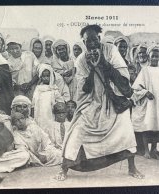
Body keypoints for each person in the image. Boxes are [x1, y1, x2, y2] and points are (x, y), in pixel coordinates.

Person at [55, 25, 143, 181]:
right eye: (88, 42)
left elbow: (123, 81)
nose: (92, 44)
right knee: (77, 130)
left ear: (99, 39)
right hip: (92, 102)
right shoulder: (81, 59)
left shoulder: (110, 50)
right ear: (84, 42)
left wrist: (103, 63)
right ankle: (64, 167)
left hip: (113, 100)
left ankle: (132, 167)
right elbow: (84, 89)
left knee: (125, 126)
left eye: (95, 40)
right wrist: (91, 68)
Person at [131, 45, 159, 159]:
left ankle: (154, 149)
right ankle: (146, 150)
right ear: (149, 57)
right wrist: (146, 92)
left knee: (157, 125)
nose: (155, 59)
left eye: (157, 56)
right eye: (152, 56)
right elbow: (137, 87)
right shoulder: (145, 70)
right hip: (149, 102)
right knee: (147, 125)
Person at [32, 64, 65, 131]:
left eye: (47, 76)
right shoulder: (38, 89)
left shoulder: (54, 89)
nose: (45, 78)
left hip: (50, 114)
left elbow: (61, 102)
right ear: (41, 77)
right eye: (43, 76)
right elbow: (33, 103)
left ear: (51, 76)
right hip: (39, 115)